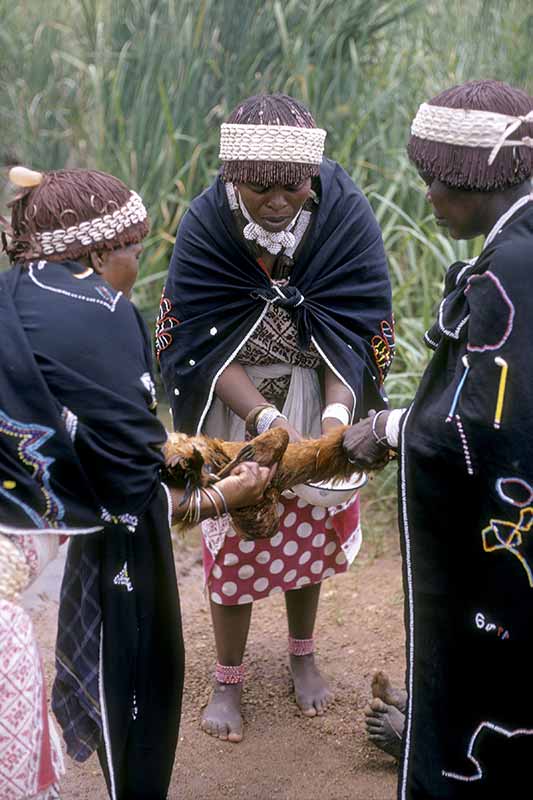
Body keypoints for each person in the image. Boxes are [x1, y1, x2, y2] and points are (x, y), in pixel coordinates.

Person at [0, 165, 274, 800]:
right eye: (133, 249)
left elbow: (96, 440)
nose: (138, 263)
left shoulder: (17, 293)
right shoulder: (105, 313)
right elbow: (130, 492)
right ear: (97, 252)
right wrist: (227, 494)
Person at [159, 93, 394, 742]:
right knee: (237, 533)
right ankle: (228, 678)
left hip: (319, 393)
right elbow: (199, 347)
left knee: (314, 524)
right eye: (261, 187)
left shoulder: (340, 210)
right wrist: (264, 419)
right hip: (236, 407)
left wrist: (336, 419)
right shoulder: (208, 223)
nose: (280, 200)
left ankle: (302, 652)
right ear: (234, 178)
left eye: (293, 184)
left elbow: (351, 323)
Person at [343, 79, 533, 798]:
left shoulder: (508, 273)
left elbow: (477, 425)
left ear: (476, 177)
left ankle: (453, 756)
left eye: (432, 180)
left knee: (496, 637)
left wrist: (391, 426)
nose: (426, 195)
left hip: (513, 517)